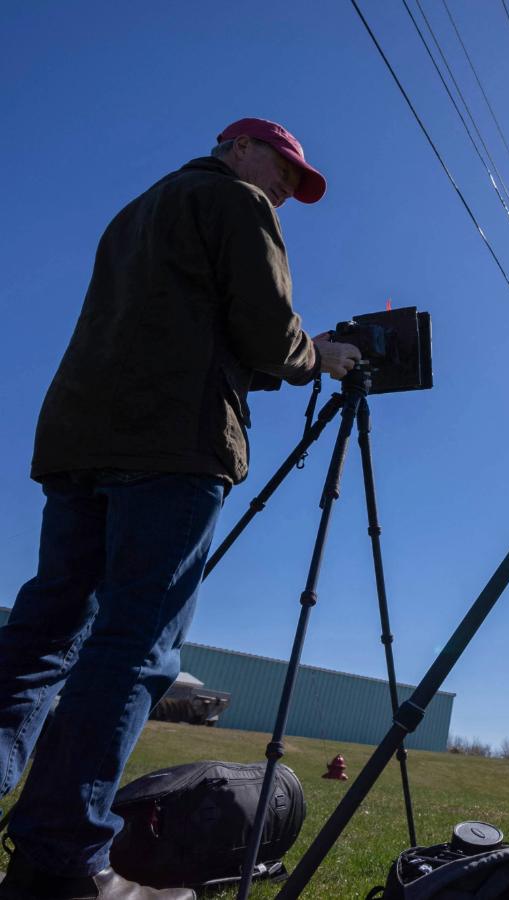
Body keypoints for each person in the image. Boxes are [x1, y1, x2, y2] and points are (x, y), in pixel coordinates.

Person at [0, 118, 362, 899]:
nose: (283, 192)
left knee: (47, 628)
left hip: (81, 437)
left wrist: (281, 355)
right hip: (171, 443)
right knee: (135, 645)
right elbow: (267, 334)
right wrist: (318, 356)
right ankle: (57, 853)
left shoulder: (138, 211)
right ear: (238, 146)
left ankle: (43, 828)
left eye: (295, 188)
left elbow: (189, 330)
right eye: (281, 171)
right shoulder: (235, 200)